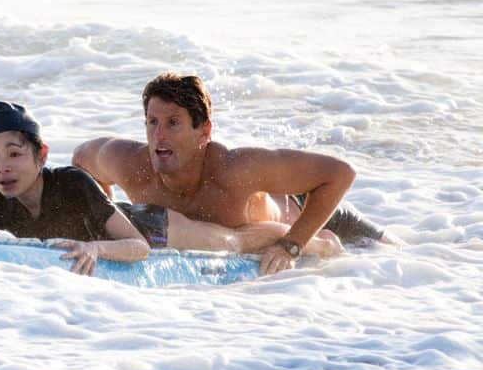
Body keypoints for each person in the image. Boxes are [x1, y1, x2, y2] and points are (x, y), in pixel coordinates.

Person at [0, 102, 340, 276]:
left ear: (40, 155)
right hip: (118, 231)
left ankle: (320, 241)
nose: (3, 167)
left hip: (150, 227)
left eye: (14, 154)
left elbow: (138, 247)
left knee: (234, 241)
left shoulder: (71, 182)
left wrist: (96, 249)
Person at [72, 72, 390, 275]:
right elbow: (82, 161)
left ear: (204, 131)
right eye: (152, 123)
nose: (159, 136)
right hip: (249, 237)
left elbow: (340, 174)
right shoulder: (129, 163)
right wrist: (111, 222)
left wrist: (292, 245)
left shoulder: (234, 169)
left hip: (317, 214)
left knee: (399, 260)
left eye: (173, 123)